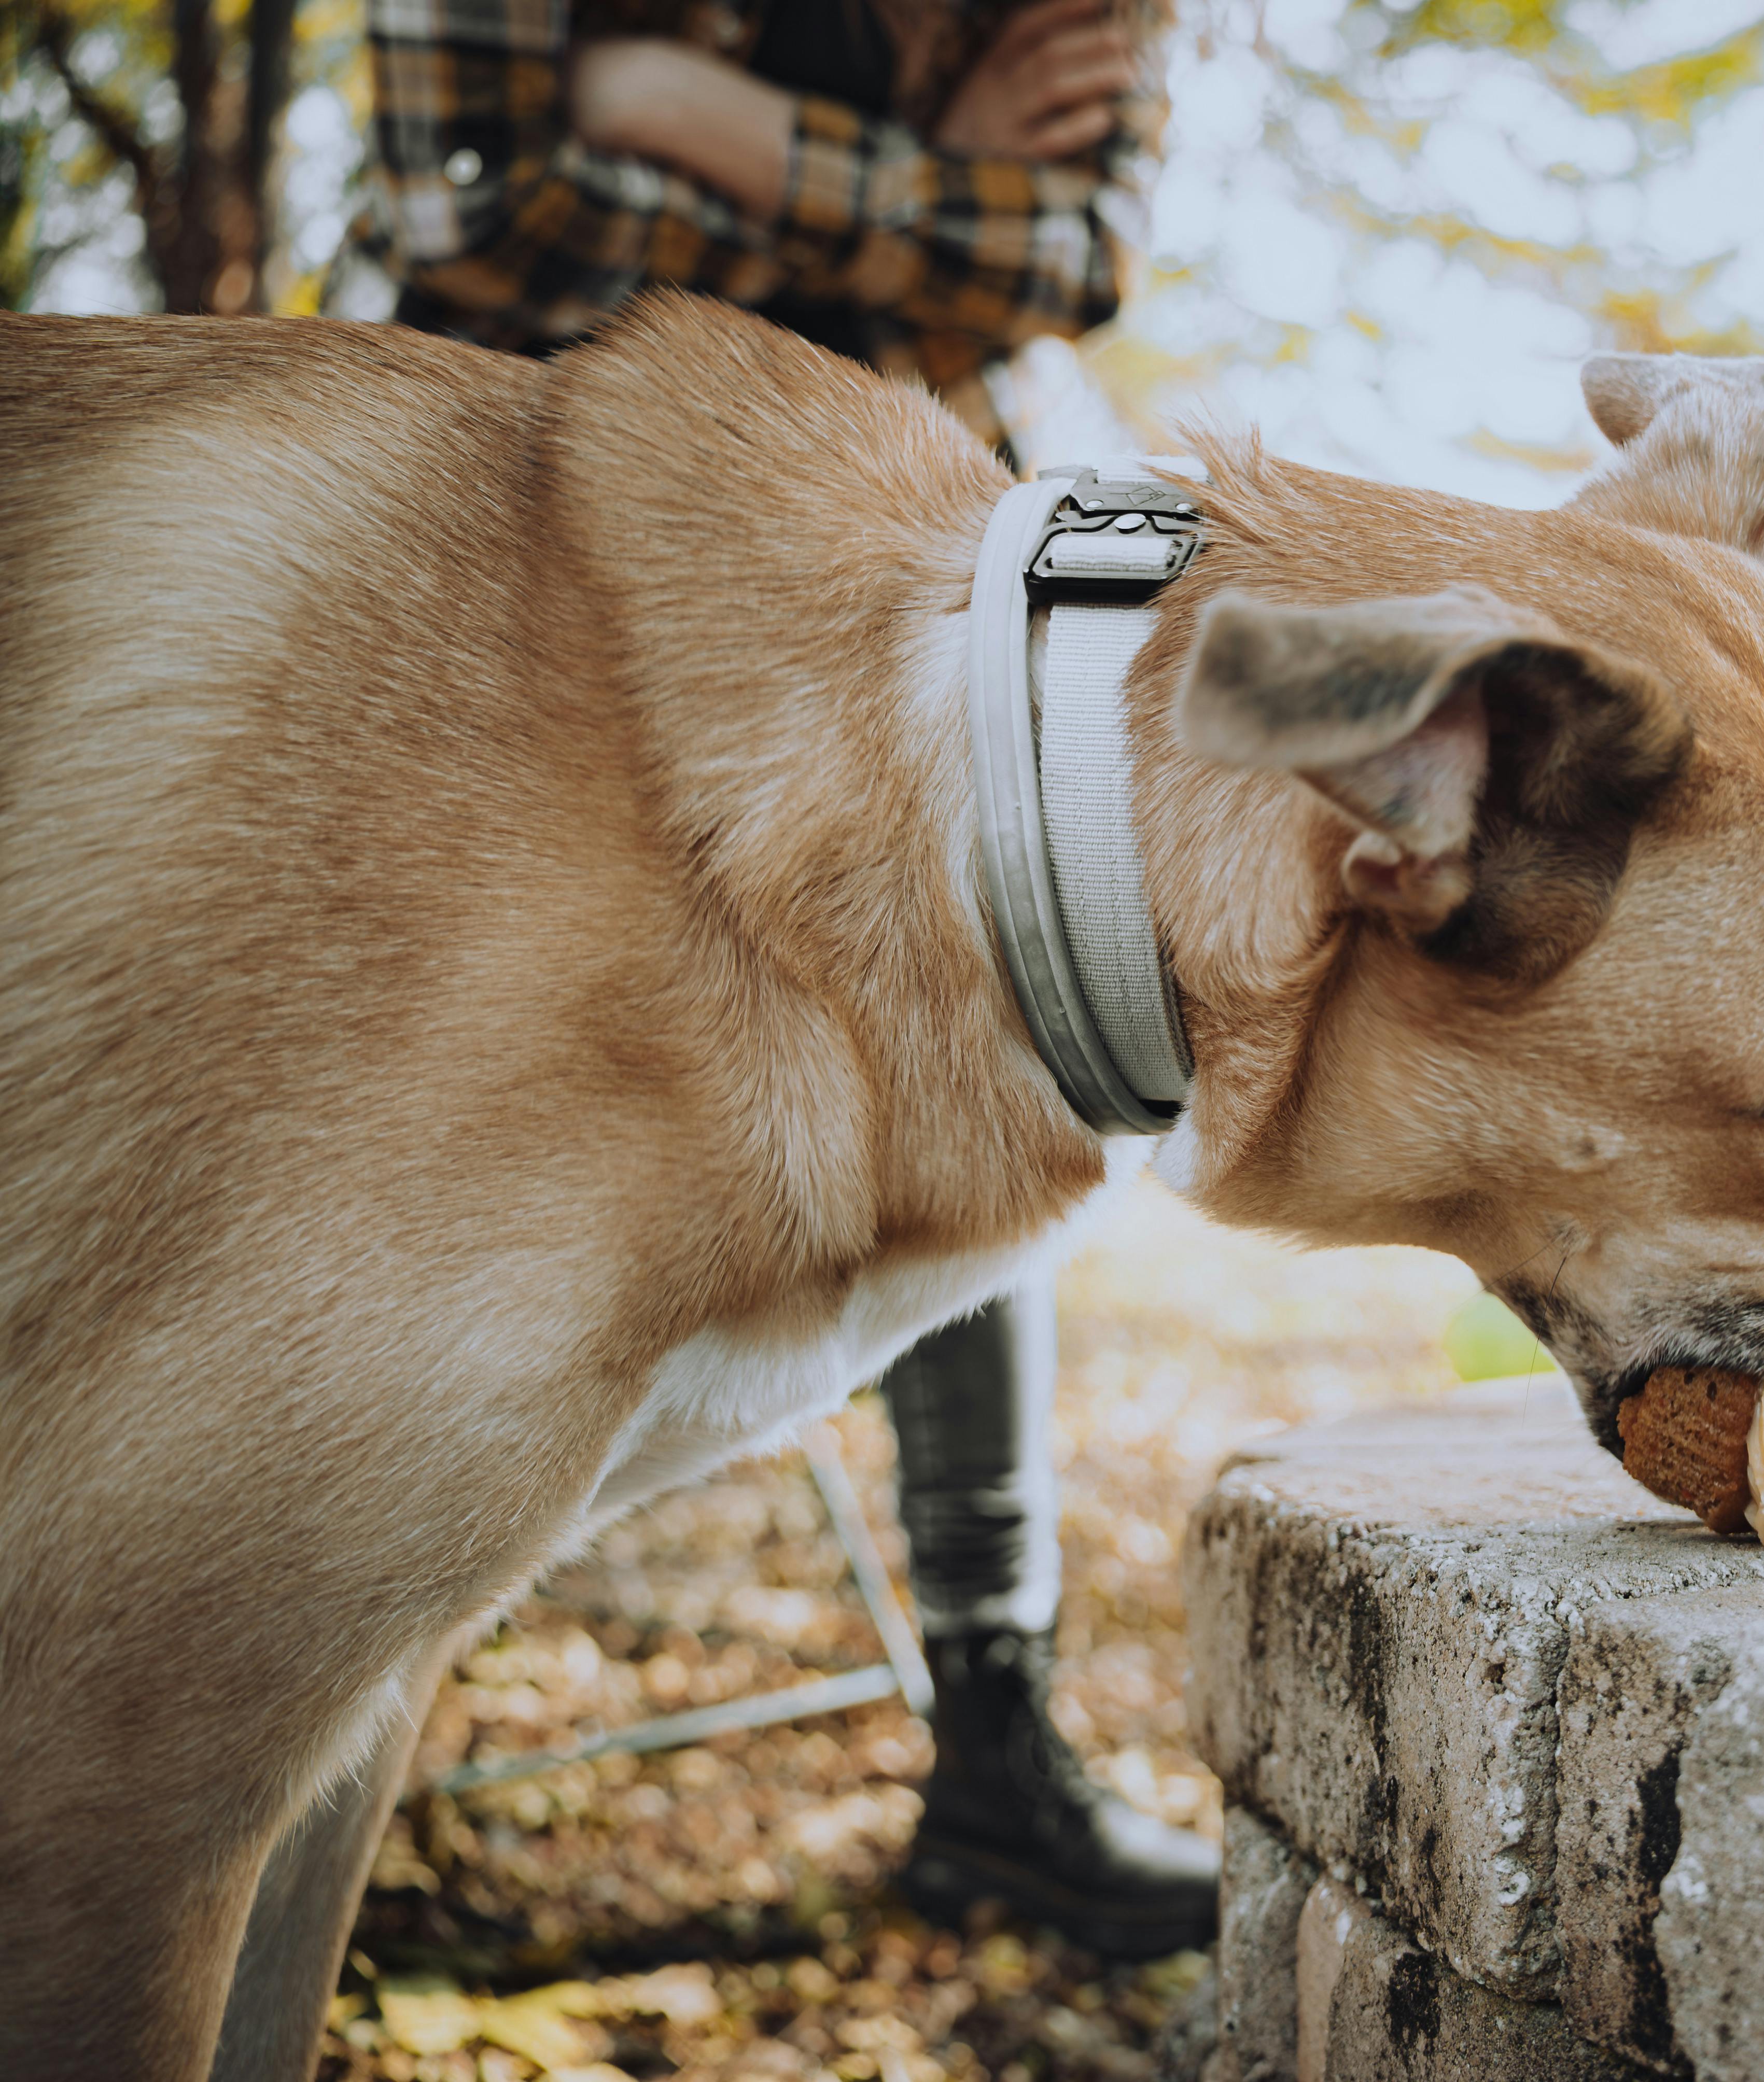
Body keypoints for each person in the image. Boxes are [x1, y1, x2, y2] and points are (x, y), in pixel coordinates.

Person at [357, 0, 1218, 1957]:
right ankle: (329, 1707)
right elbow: (476, 221)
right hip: (512, 544)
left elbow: (1067, 256)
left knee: (998, 1062)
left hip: (901, 566)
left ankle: (997, 1744)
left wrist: (682, 114)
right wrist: (925, 189)